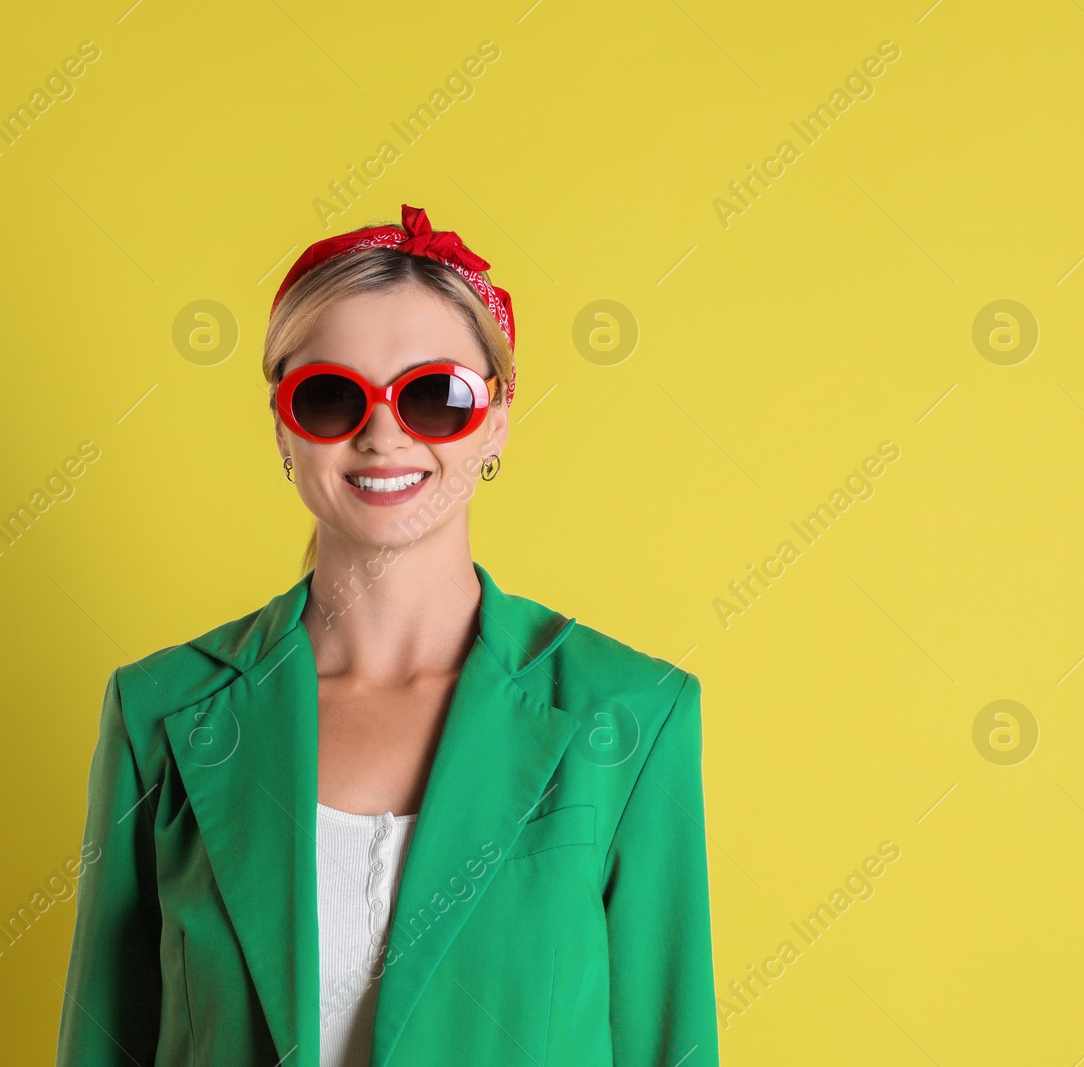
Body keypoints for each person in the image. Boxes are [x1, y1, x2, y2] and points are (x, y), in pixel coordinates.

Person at [56, 203, 719, 1066]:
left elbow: (669, 1046)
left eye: (434, 397)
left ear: (498, 417)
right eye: (330, 396)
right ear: (282, 425)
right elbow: (104, 1043)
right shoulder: (159, 712)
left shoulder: (631, 715)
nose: (381, 435)